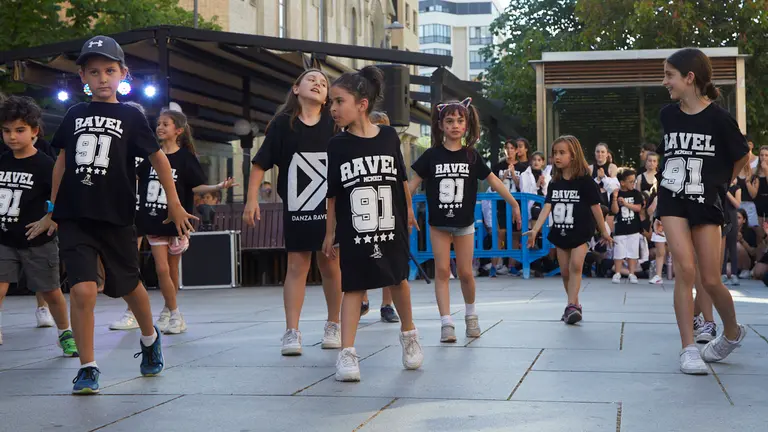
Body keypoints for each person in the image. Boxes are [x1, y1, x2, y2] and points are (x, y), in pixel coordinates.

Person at [27, 36, 197, 394]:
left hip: (117, 216)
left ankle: (150, 339)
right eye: (94, 71)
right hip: (75, 216)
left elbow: (158, 159)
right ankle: (88, 367)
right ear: (82, 77)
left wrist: (174, 202)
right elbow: (61, 162)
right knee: (83, 289)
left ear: (123, 74)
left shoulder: (131, 116)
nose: (102, 77)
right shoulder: (74, 114)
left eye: (109, 70)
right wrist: (52, 210)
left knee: (129, 286)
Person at [323, 66, 423, 382]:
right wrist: (330, 232)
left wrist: (408, 212)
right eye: (331, 103)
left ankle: (409, 335)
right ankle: (348, 353)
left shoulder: (390, 136)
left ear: (362, 104)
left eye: (339, 101)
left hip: (390, 224)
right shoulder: (337, 145)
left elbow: (400, 180)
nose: (333, 109)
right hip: (355, 229)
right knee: (353, 286)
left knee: (398, 281)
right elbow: (333, 194)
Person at [657, 47, 748, 375]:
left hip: (706, 202)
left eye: (669, 75)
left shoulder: (720, 119)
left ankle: (733, 332)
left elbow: (741, 156)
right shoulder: (668, 115)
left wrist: (723, 181)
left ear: (689, 77)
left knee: (710, 279)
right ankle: (688, 347)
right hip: (672, 200)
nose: (664, 81)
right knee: (685, 269)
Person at [243, 69, 342, 356]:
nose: (318, 84)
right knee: (297, 266)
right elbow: (260, 164)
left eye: (323, 83)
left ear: (327, 98)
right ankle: (292, 331)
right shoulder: (282, 125)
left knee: (330, 265)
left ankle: (333, 324)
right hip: (298, 207)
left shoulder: (334, 124)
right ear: (296, 88)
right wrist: (252, 200)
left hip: (329, 208)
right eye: (311, 80)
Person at [410, 97, 522, 343]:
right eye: (449, 121)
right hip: (438, 223)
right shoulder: (431, 156)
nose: (455, 125)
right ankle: (446, 322)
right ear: (440, 125)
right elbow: (411, 185)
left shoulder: (471, 156)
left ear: (467, 124)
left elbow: (493, 180)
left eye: (460, 120)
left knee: (465, 272)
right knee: (441, 271)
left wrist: (513, 203)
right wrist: (402, 207)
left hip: (464, 223)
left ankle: (471, 315)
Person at [136, 109, 236, 334]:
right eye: (158, 123)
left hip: (177, 220)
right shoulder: (151, 155)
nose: (160, 127)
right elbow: (136, 176)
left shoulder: (185, 158)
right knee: (161, 268)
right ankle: (175, 313)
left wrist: (218, 187)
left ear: (178, 131)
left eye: (165, 124)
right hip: (154, 218)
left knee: (172, 269)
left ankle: (166, 309)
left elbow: (196, 185)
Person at [0, 96, 77, 356]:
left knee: (51, 291)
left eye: (19, 130)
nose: (12, 137)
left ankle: (65, 332)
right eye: (7, 131)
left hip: (37, 241)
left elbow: (62, 196)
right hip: (4, 239)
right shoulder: (1, 162)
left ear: (34, 132)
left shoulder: (46, 165)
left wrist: (52, 218)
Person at [525, 135, 612, 324]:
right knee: (565, 272)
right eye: (555, 153)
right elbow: (547, 207)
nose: (557, 156)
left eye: (562, 153)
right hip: (560, 233)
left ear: (573, 155)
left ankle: (571, 305)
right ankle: (574, 305)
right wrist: (536, 229)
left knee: (576, 266)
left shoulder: (585, 181)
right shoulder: (555, 182)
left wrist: (603, 231)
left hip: (581, 232)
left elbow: (596, 208)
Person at [361, 111, 399, 323]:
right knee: (364, 254)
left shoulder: (391, 149)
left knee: (388, 257)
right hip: (364, 207)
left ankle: (387, 304)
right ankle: (363, 300)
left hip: (386, 207)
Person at [611, 168, 645, 284]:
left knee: (632, 251)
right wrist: (615, 198)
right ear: (622, 182)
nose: (633, 183)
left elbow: (638, 208)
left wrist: (625, 203)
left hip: (633, 228)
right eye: (630, 181)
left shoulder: (636, 193)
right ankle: (617, 273)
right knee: (619, 252)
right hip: (620, 228)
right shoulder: (616, 193)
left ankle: (632, 273)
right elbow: (614, 211)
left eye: (634, 181)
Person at [519, 151, 551, 226]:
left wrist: (544, 185)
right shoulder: (524, 175)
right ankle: (536, 235)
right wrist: (536, 185)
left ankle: (540, 235)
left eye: (539, 160)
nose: (536, 162)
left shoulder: (547, 176)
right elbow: (524, 193)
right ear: (530, 161)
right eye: (534, 160)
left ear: (543, 162)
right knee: (536, 210)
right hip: (532, 203)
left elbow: (548, 193)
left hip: (544, 203)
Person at [721, 177, 742, 285]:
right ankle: (722, 273)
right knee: (722, 247)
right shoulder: (720, 187)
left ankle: (734, 274)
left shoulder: (736, 189)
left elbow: (737, 204)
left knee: (732, 246)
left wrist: (727, 192)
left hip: (732, 216)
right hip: (721, 216)